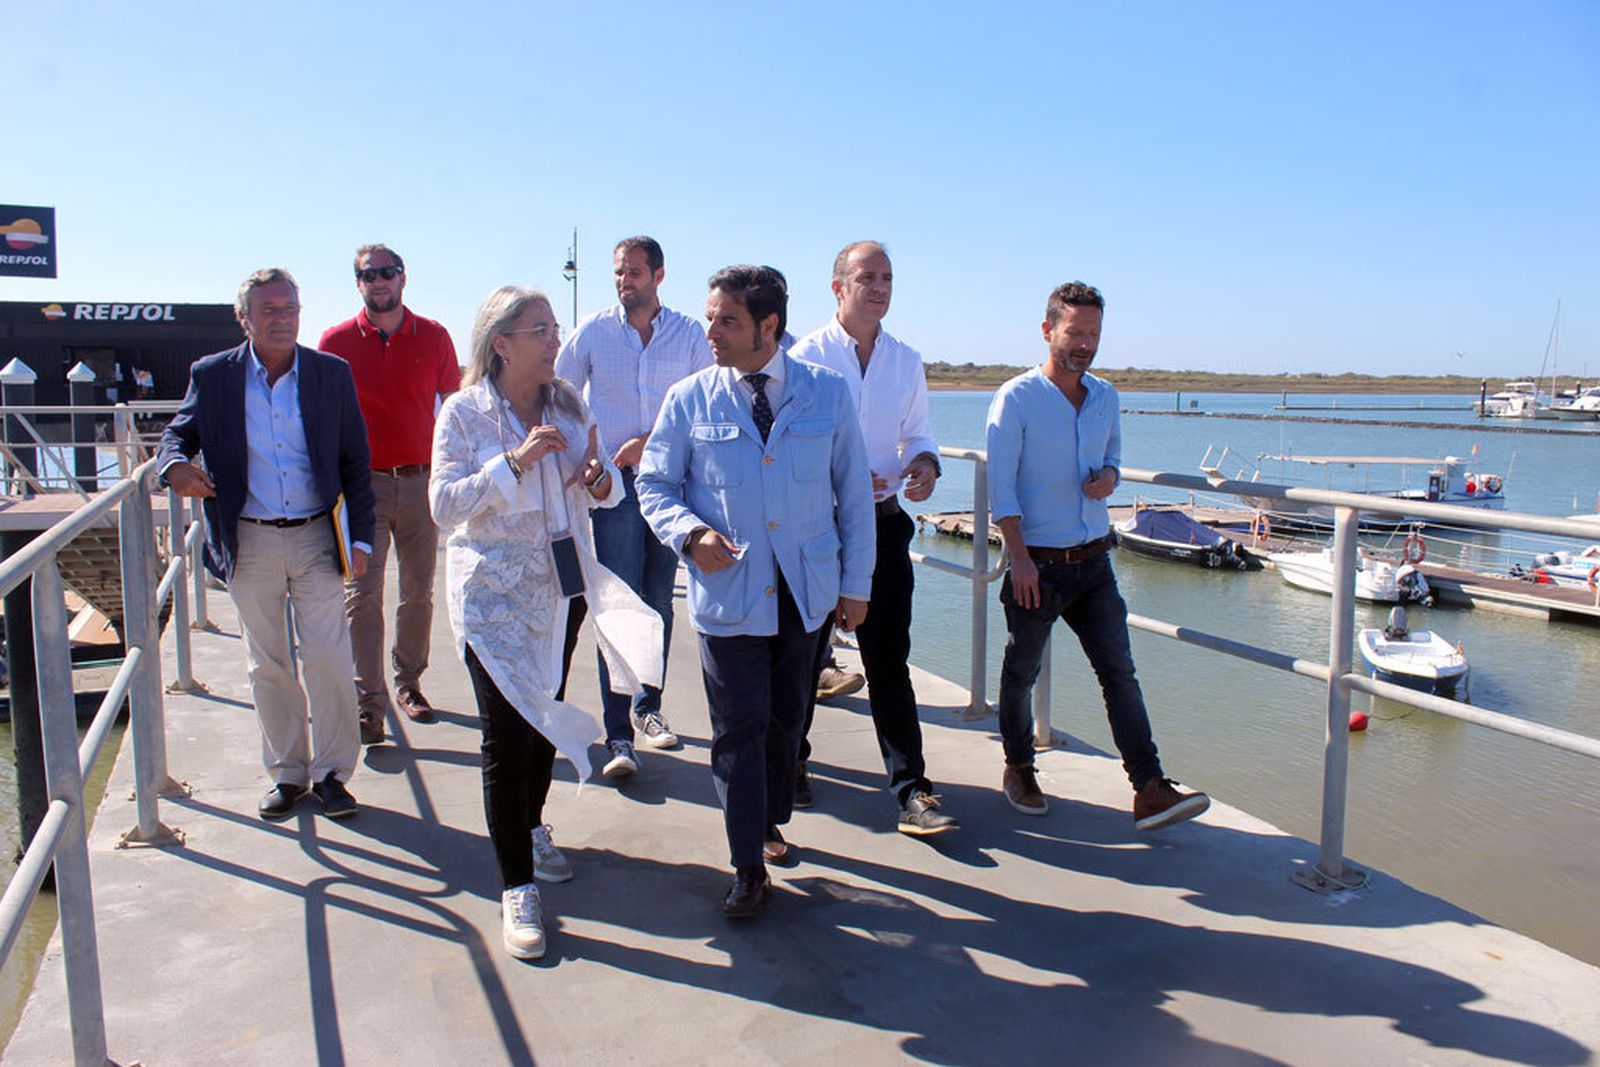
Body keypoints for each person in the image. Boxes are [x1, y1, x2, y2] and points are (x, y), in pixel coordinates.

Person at [430, 284, 662, 960]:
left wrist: (596, 479)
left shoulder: (567, 401)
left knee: (538, 729)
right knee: (506, 737)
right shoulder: (465, 414)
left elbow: (606, 490)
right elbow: (444, 507)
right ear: (501, 342)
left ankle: (530, 825)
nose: (554, 340)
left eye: (554, 328)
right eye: (540, 329)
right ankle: (517, 888)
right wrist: (513, 462)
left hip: (560, 591)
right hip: (491, 597)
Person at [638, 265, 874, 919]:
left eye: (727, 320)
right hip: (729, 593)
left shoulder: (825, 393)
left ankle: (768, 818)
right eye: (710, 315)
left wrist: (857, 586)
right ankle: (747, 864)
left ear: (769, 326)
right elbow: (654, 486)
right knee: (736, 731)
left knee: (784, 725)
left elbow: (853, 495)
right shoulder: (690, 398)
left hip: (804, 595)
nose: (710, 330)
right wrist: (690, 535)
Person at [985, 281, 1209, 831]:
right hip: (1036, 563)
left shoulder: (1105, 396)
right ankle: (1019, 767)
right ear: (1048, 330)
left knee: (1120, 675)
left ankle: (1149, 787)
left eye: (1094, 334)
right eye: (1075, 332)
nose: (1085, 344)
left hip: (1094, 562)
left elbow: (1112, 455)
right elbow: (1001, 486)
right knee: (1022, 671)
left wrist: (1109, 476)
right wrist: (1019, 559)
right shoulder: (1016, 397)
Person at [158, 268, 375, 821]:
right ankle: (288, 773)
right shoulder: (213, 377)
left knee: (328, 658)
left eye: (290, 308)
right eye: (269, 310)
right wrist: (174, 466)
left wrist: (362, 538)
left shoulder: (330, 374)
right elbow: (177, 434)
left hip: (317, 537)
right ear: (244, 318)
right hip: (248, 537)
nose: (282, 318)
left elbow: (355, 462)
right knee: (269, 664)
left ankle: (332, 775)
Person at [790, 241, 955, 834]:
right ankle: (791, 763)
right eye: (867, 277)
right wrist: (840, 476)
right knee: (803, 660)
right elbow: (791, 447)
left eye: (887, 277)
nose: (879, 287)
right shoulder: (806, 358)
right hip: (818, 529)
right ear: (839, 287)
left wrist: (926, 465)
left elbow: (917, 434)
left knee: (890, 662)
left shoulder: (905, 361)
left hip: (884, 525)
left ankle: (912, 790)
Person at [556, 236, 712, 778]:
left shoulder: (690, 335)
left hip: (670, 485)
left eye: (635, 273)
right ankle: (618, 734)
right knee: (619, 604)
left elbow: (707, 401)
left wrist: (651, 441)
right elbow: (559, 397)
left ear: (659, 276)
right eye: (619, 272)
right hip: (614, 489)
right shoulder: (594, 333)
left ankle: (649, 708)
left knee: (659, 604)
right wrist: (588, 458)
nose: (626, 281)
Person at [320, 244, 461, 744]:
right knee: (362, 595)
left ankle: (409, 683)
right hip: (363, 488)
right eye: (368, 274)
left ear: (404, 278)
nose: (379, 281)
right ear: (357, 283)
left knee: (418, 593)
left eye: (387, 272)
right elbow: (320, 418)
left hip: (423, 482)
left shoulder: (437, 337)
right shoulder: (335, 342)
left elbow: (456, 409)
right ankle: (368, 702)